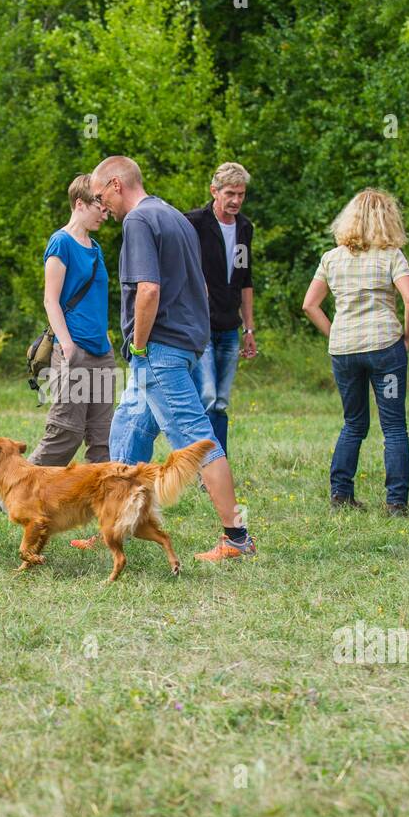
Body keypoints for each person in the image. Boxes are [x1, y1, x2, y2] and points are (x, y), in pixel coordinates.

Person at [77, 155, 255, 563]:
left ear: (118, 184)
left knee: (195, 439)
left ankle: (237, 537)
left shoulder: (139, 221)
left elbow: (149, 290)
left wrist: (138, 346)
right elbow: (202, 290)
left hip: (160, 349)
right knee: (128, 429)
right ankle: (114, 525)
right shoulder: (174, 215)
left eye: (102, 195)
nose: (103, 206)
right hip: (187, 343)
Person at [302, 189, 409, 514]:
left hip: (344, 351)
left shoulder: (332, 257)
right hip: (385, 348)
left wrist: (334, 332)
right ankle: (396, 501)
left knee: (353, 422)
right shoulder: (391, 255)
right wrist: (406, 336)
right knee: (394, 425)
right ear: (388, 219)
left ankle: (341, 494)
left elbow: (310, 305)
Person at [26, 174, 116, 467]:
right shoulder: (61, 242)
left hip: (102, 353)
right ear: (80, 203)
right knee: (66, 432)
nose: (105, 213)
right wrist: (66, 345)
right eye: (98, 205)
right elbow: (50, 299)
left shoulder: (96, 247)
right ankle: (21, 492)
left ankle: (100, 501)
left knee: (103, 437)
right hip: (73, 350)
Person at [184, 162, 257, 455]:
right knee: (208, 396)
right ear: (214, 191)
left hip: (230, 327)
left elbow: (245, 280)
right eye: (230, 193)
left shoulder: (244, 228)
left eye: (241, 194)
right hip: (201, 326)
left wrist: (249, 327)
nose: (236, 200)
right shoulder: (194, 223)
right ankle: (202, 465)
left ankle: (218, 462)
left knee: (221, 400)